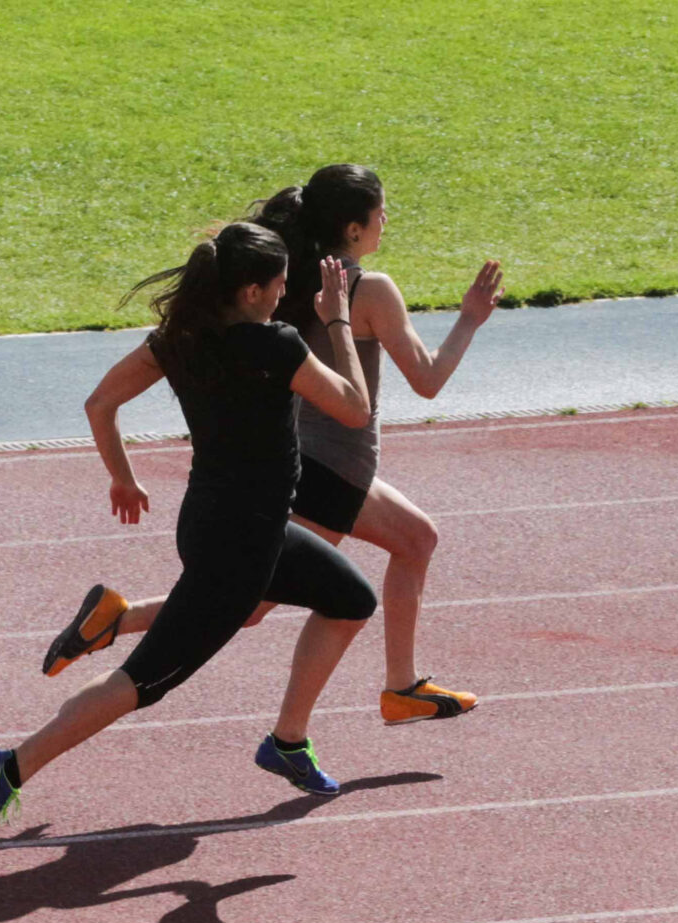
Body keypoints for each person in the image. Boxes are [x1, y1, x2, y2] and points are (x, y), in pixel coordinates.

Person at [43, 165, 503, 724]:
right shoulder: (367, 289)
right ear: (354, 230)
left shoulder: (291, 276)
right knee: (259, 601)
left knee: (403, 544)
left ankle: (401, 686)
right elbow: (427, 380)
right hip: (333, 469)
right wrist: (470, 321)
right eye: (381, 213)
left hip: (310, 462)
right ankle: (131, 627)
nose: (387, 222)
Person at [0, 223, 375, 854]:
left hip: (227, 525)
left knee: (350, 598)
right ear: (248, 291)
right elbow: (354, 407)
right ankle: (11, 765)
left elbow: (99, 403)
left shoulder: (178, 340)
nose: (282, 297)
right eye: (278, 287)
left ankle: (286, 741)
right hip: (239, 545)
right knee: (142, 684)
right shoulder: (276, 346)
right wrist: (339, 319)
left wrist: (123, 481)